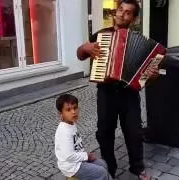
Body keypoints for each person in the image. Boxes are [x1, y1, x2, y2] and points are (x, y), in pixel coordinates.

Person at [76, 0, 159, 179]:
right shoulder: (101, 35)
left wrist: (152, 75)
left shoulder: (142, 43)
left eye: (128, 12)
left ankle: (137, 167)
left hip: (129, 94)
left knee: (135, 132)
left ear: (134, 19)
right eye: (121, 9)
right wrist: (85, 48)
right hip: (106, 92)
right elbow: (80, 54)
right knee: (104, 131)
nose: (122, 14)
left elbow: (146, 78)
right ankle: (109, 167)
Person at [54, 94, 112, 180]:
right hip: (71, 167)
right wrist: (86, 156)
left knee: (102, 164)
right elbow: (68, 156)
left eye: (75, 108)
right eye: (68, 110)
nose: (73, 112)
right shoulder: (64, 131)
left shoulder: (71, 123)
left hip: (78, 160)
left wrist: (85, 156)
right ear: (60, 113)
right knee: (101, 172)